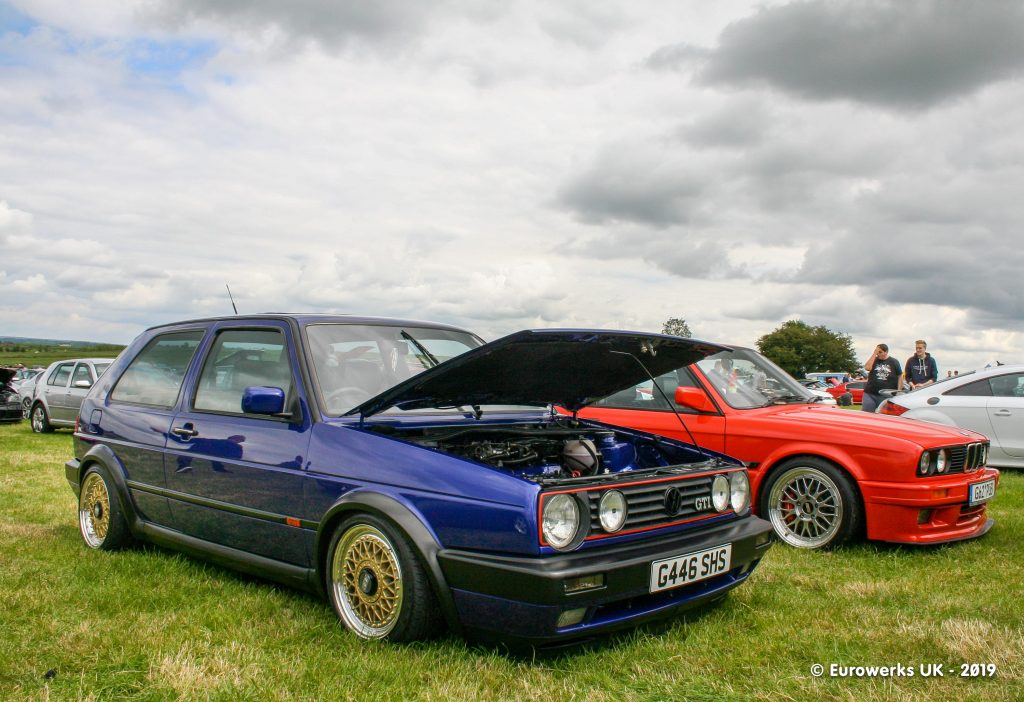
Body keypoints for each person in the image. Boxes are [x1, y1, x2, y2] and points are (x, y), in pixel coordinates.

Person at [862, 343, 902, 412]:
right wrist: (874, 354)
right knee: (867, 414)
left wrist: (898, 391)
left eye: (880, 352)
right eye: (877, 351)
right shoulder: (874, 359)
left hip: (885, 395)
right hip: (870, 393)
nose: (878, 354)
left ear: (886, 352)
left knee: (883, 416)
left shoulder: (894, 362)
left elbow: (900, 376)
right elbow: (867, 368)